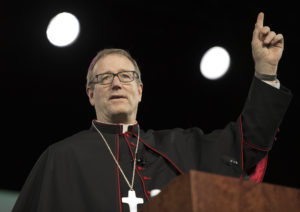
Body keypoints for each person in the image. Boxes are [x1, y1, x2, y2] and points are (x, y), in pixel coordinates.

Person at [13, 12, 292, 212]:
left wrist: (266, 72)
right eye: (104, 77)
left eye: (125, 75)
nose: (115, 83)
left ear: (141, 90)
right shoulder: (60, 158)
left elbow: (248, 143)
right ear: (90, 93)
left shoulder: (181, 147)